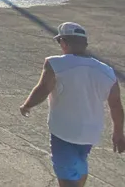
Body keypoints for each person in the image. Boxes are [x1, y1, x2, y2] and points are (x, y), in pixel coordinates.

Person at [19, 22, 124, 187]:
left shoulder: (55, 63)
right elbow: (116, 105)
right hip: (90, 134)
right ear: (85, 44)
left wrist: (27, 105)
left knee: (66, 177)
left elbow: (43, 89)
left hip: (64, 132)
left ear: (64, 42)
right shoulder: (107, 72)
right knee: (78, 165)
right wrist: (118, 133)